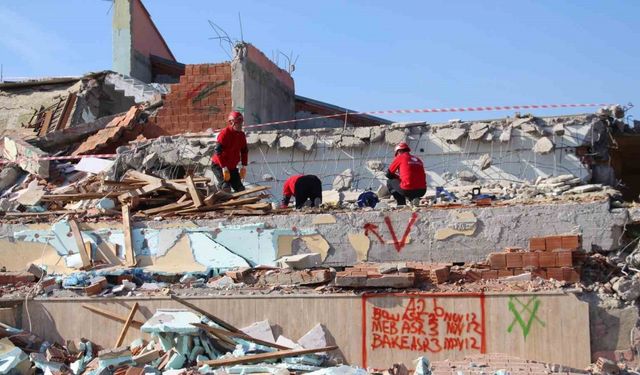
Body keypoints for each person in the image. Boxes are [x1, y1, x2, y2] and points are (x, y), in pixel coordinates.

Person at [211, 111, 248, 192]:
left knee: (240, 189)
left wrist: (244, 166)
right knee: (225, 187)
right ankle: (221, 200)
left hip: (232, 167)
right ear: (231, 123)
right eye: (238, 123)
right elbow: (218, 151)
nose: (240, 126)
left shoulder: (241, 135)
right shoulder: (224, 133)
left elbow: (244, 151)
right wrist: (224, 167)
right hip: (219, 165)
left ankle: (237, 204)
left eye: (241, 123)